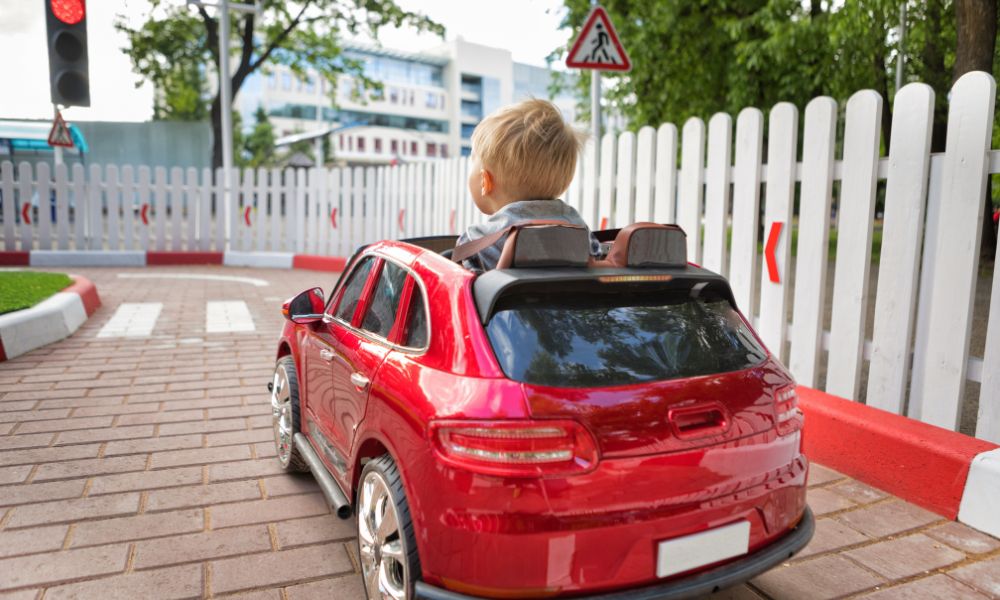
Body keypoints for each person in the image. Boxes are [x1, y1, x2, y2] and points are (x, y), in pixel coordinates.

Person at [455, 98, 600, 270]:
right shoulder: (579, 228)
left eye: (474, 161)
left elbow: (462, 291)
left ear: (485, 181)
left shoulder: (475, 242)